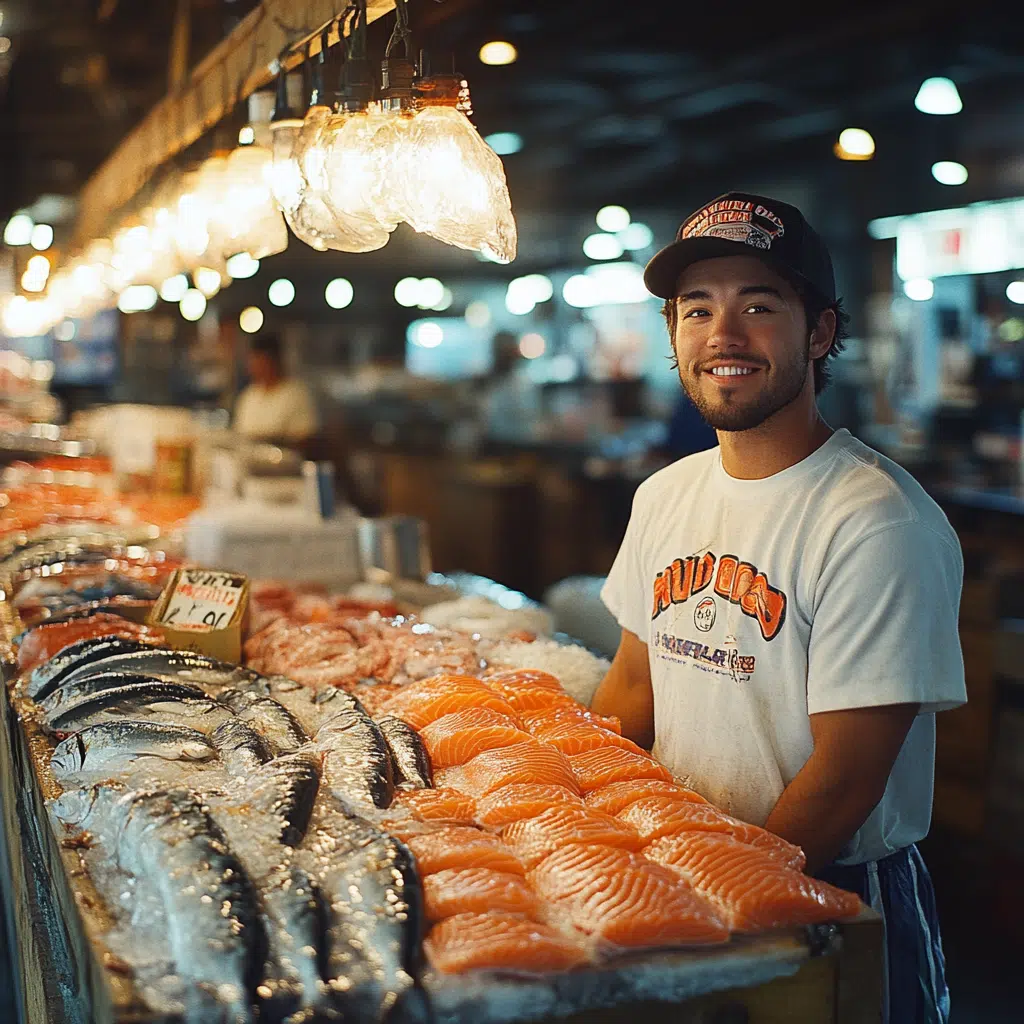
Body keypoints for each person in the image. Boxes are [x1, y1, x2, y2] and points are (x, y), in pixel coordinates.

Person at [592, 192, 965, 1024]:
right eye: (698, 311)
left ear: (820, 333)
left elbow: (844, 780)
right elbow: (629, 692)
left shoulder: (875, 520)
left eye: (759, 307)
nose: (724, 337)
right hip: (679, 870)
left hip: (831, 892)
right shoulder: (664, 496)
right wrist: (582, 833)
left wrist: (720, 905)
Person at [233, 332, 318, 444]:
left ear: (274, 360)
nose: (253, 366)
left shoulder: (296, 394)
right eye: (253, 360)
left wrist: (270, 440)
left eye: (261, 360)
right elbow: (238, 434)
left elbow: (306, 438)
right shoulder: (249, 395)